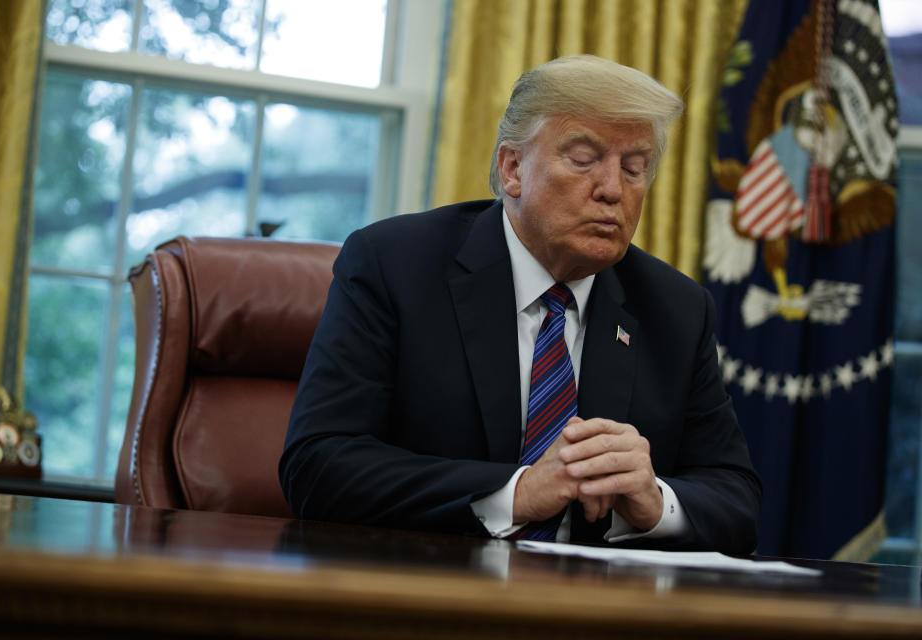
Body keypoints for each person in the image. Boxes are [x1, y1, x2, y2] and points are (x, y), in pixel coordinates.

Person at [280, 55, 761, 553]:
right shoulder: (394, 266)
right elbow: (317, 465)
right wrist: (518, 493)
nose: (613, 190)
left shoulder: (676, 309)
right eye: (582, 159)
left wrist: (656, 502)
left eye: (634, 168)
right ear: (513, 168)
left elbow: (737, 499)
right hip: (425, 593)